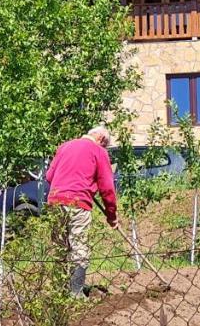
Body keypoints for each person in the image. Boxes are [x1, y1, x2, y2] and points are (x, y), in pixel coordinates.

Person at [45, 125, 119, 297]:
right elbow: (107, 187)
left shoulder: (64, 146)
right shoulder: (99, 151)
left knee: (60, 247)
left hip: (55, 201)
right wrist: (112, 216)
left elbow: (49, 176)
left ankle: (60, 292)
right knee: (78, 247)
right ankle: (76, 293)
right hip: (78, 203)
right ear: (102, 140)